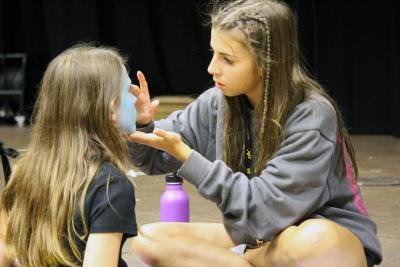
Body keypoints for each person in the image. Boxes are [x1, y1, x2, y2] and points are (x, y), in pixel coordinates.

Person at [129, 0, 383, 266]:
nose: (212, 68)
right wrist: (140, 125)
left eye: (227, 59)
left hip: (319, 240)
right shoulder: (217, 102)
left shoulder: (312, 115)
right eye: (213, 53)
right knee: (148, 238)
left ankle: (240, 260)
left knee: (317, 241)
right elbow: (153, 157)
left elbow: (264, 212)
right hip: (257, 240)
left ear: (267, 64)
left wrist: (189, 159)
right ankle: (247, 261)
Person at [0, 45, 138, 267]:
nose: (136, 99)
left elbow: (3, 255)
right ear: (112, 108)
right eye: (130, 90)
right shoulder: (111, 187)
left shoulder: (23, 172)